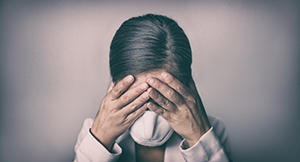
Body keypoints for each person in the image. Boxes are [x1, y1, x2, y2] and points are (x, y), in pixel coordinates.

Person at [74, 14, 232, 162]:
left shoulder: (211, 131)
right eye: (137, 98)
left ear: (185, 87)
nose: (150, 123)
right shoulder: (93, 133)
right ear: (114, 86)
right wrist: (99, 141)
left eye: (163, 99)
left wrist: (202, 142)